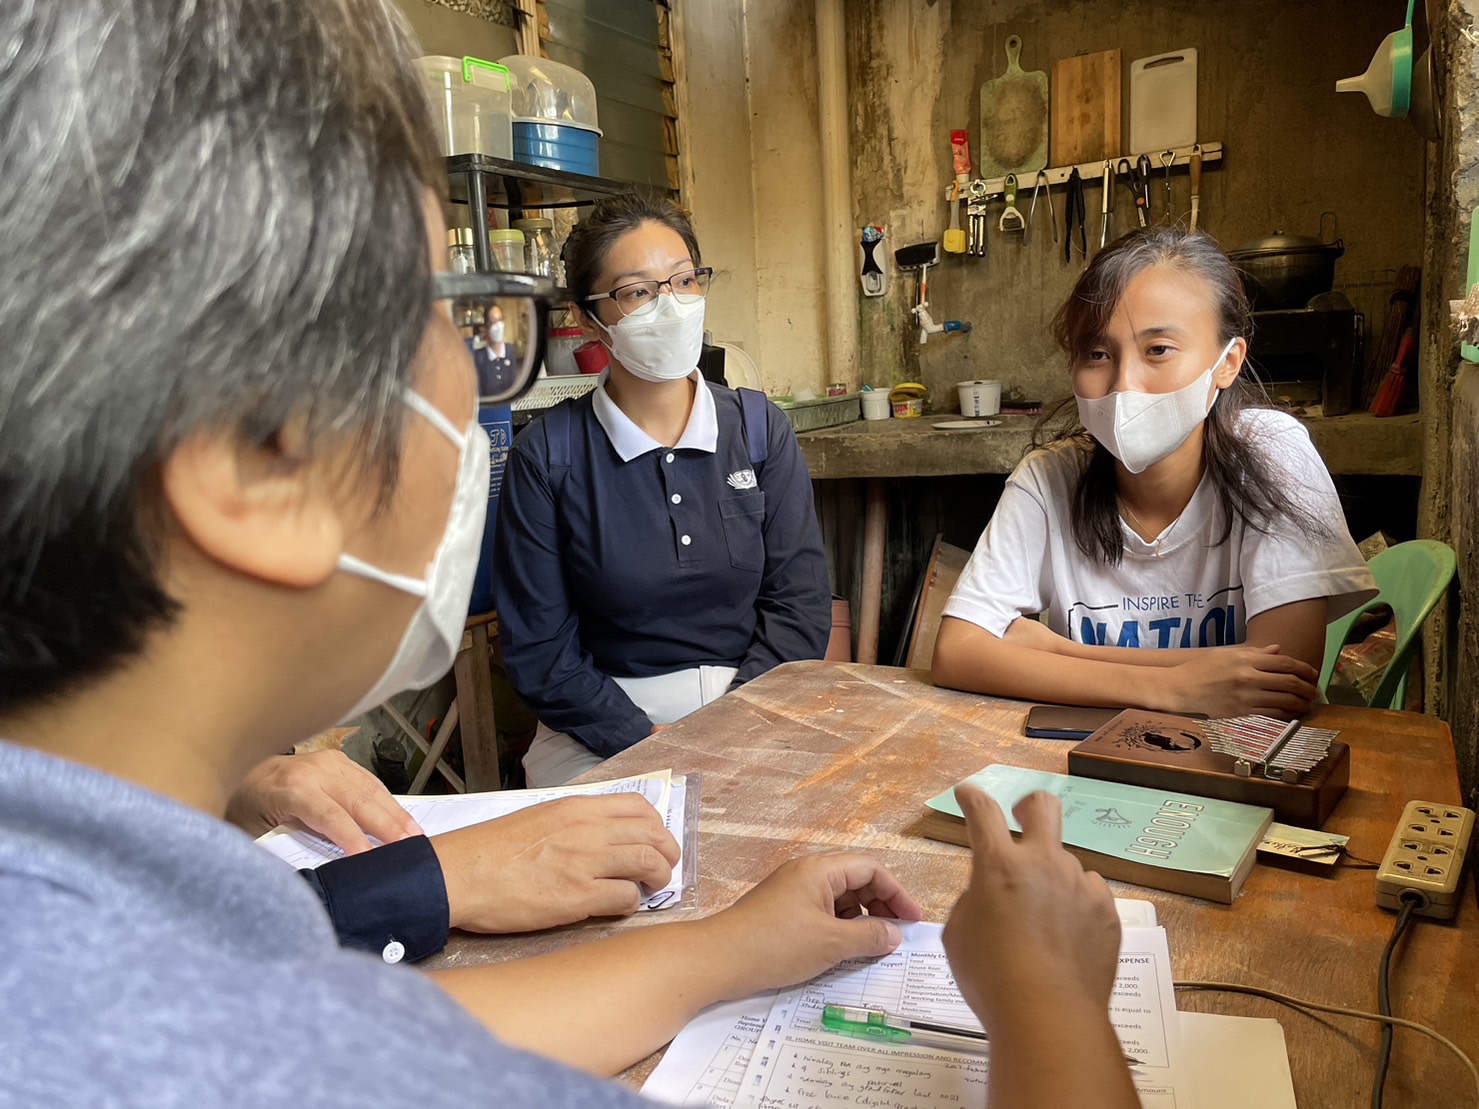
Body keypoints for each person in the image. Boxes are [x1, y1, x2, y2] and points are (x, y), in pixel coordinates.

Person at [0, 3, 1139, 1105]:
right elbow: (332, 1032)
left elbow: (353, 1022)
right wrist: (1051, 1001)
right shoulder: (202, 1036)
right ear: (255, 459)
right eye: (446, 315)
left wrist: (725, 945)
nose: (472, 378)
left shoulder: (162, 948)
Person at [933, 226, 1376, 720]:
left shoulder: (1272, 455)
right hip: (1089, 763)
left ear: (1226, 362)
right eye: (1097, 354)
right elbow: (955, 653)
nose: (1124, 384)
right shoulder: (1049, 478)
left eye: (1158, 350)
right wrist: (1175, 687)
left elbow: (1277, 685)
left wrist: (1053, 651)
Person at [494, 195, 832, 786]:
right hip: (597, 728)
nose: (670, 305)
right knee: (633, 864)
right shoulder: (548, 455)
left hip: (755, 708)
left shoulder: (758, 429)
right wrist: (643, 742)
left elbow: (799, 609)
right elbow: (540, 654)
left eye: (683, 281)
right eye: (638, 291)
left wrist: (730, 728)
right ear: (590, 315)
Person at [473, 302, 521, 397]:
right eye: (493, 321)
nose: (498, 326)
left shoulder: (510, 351)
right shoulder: (479, 358)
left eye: (500, 320)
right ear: (485, 327)